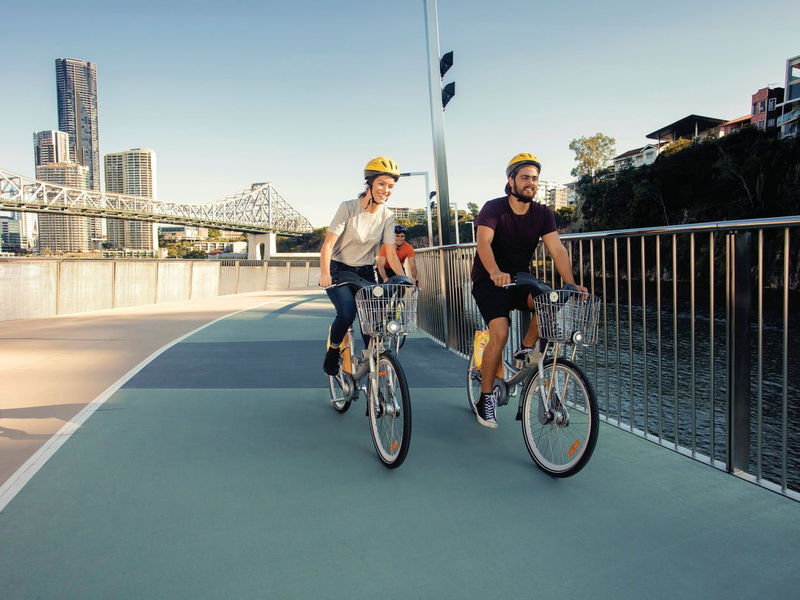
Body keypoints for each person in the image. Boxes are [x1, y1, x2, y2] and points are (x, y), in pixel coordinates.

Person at [470, 152, 588, 428]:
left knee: (549, 300)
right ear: (511, 181)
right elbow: (484, 243)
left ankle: (525, 349)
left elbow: (557, 249)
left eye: (534, 178)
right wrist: (495, 271)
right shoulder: (494, 208)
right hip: (490, 281)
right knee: (499, 333)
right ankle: (485, 398)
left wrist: (570, 282)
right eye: (524, 177)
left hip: (521, 281)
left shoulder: (543, 214)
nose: (530, 183)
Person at [319, 157, 407, 376]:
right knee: (347, 313)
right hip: (340, 271)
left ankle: (374, 361)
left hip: (366, 273)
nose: (386, 190)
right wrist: (325, 273)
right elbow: (328, 244)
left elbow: (391, 254)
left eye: (390, 187)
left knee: (373, 322)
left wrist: (404, 278)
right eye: (381, 184)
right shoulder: (348, 208)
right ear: (369, 183)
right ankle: (333, 349)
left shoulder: (387, 216)